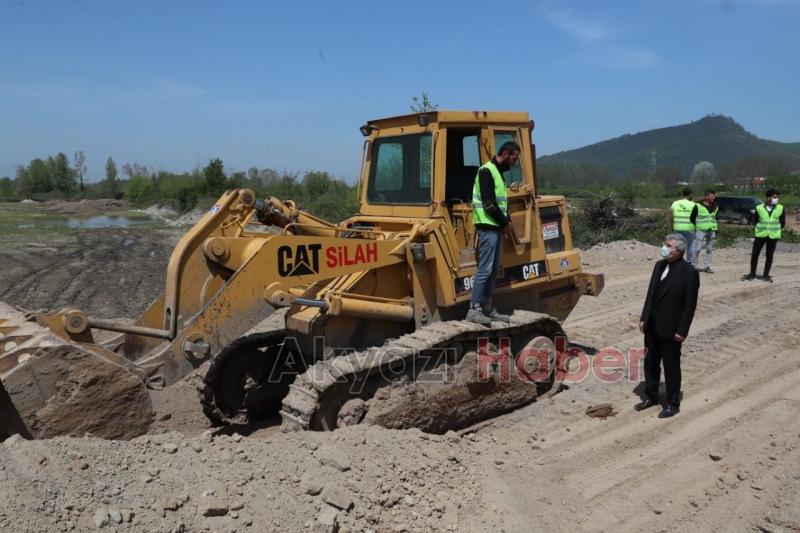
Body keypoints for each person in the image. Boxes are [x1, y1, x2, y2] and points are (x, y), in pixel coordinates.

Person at [636, 233, 700, 418]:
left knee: (671, 367)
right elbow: (651, 294)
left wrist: (682, 330)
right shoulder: (659, 265)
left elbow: (690, 305)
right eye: (664, 243)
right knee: (650, 363)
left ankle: (673, 403)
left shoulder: (689, 272)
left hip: (671, 329)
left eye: (668, 245)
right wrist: (644, 317)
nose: (664, 247)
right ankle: (651, 396)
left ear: (678, 250)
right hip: (652, 325)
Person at [465, 141, 520, 325]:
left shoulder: (497, 172)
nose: (514, 163)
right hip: (488, 227)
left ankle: (487, 308)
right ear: (505, 153)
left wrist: (508, 219)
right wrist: (504, 223)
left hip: (495, 227)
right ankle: (474, 310)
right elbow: (489, 204)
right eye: (513, 158)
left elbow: (500, 202)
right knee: (485, 269)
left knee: (493, 270)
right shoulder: (486, 171)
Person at [742, 188, 785, 283]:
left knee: (769, 255)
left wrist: (774, 229)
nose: (776, 199)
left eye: (777, 197)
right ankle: (752, 274)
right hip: (760, 234)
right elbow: (755, 221)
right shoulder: (759, 208)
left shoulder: (780, 208)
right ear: (768, 197)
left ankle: (766, 275)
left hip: (773, 235)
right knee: (754, 255)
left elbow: (783, 223)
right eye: (774, 197)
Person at [689, 189, 718, 272]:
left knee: (709, 249)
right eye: (712, 196)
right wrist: (699, 225)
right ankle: (693, 266)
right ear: (706, 197)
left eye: (714, 196)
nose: (714, 197)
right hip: (700, 230)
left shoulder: (716, 206)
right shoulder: (697, 205)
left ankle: (707, 266)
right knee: (697, 248)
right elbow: (692, 218)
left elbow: (716, 218)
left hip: (712, 229)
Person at [669, 188, 695, 255]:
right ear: (690, 195)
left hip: (677, 228)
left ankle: (678, 262)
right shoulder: (693, 204)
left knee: (678, 246)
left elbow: (671, 216)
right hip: (689, 228)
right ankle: (690, 263)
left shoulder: (675, 203)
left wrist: (672, 226)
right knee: (691, 244)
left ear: (683, 194)